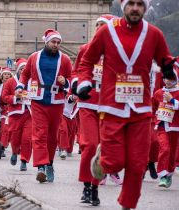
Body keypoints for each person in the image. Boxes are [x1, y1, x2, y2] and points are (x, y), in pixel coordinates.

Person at [76, 0, 174, 209]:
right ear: (124, 7)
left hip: (141, 109)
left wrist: (168, 69)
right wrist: (84, 83)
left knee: (138, 165)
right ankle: (103, 159)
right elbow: (87, 61)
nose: (135, 8)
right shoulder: (106, 32)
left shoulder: (154, 34)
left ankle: (127, 205)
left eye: (140, 4)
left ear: (145, 8)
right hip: (112, 107)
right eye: (131, 3)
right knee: (114, 162)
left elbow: (165, 58)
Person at [72, 14, 119, 205]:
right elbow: (76, 71)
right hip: (88, 103)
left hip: (108, 106)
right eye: (97, 25)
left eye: (103, 25)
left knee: (104, 149)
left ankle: (95, 187)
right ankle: (86, 186)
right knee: (90, 145)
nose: (99, 27)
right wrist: (77, 85)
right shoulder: (86, 49)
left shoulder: (118, 51)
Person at [16, 29, 72, 183]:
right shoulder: (34, 57)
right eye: (53, 42)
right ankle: (41, 166)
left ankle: (49, 164)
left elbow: (71, 78)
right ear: (46, 42)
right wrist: (20, 86)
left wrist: (65, 82)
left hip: (57, 101)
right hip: (38, 99)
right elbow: (25, 74)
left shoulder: (65, 59)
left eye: (58, 42)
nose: (56, 45)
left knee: (52, 136)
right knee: (39, 134)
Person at [1, 58, 33, 171]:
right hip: (15, 114)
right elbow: (4, 97)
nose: (23, 71)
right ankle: (14, 152)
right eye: (21, 69)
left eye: (25, 69)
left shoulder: (33, 81)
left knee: (27, 139)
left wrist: (32, 97)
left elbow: (37, 94)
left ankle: (24, 161)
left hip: (29, 113)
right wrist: (15, 98)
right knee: (15, 138)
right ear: (18, 70)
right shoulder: (10, 82)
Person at [152, 70, 179, 188]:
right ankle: (162, 175)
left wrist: (172, 100)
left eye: (171, 78)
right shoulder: (158, 93)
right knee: (165, 148)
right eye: (166, 78)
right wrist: (154, 120)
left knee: (172, 153)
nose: (168, 81)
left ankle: (168, 174)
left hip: (175, 127)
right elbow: (153, 107)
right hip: (162, 125)